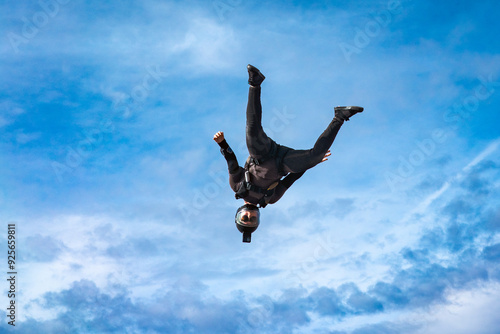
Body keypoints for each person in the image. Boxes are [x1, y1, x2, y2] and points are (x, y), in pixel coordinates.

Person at [214, 64, 363, 242]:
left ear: (239, 214)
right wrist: (310, 162)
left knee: (251, 131)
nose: (249, 216)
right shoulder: (271, 198)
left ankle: (255, 83)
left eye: (245, 218)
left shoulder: (237, 187)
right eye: (252, 220)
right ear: (258, 219)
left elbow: (231, 163)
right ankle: (340, 116)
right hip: (283, 163)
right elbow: (292, 178)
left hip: (261, 155)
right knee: (315, 155)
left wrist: (222, 144)